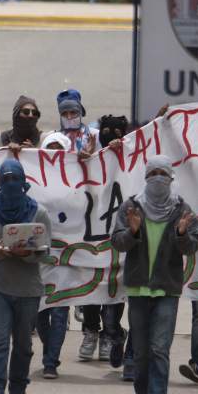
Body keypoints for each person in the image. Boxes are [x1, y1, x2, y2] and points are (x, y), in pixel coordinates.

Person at [111, 156, 198, 394]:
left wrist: (183, 234)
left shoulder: (181, 209)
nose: (158, 178)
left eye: (163, 173)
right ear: (146, 177)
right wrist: (133, 231)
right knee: (141, 353)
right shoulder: (131, 207)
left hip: (166, 291)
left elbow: (192, 247)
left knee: (160, 348)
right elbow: (117, 242)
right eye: (153, 173)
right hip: (137, 290)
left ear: (171, 178)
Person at [0, 159, 51, 394]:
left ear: (24, 182)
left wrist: (25, 254)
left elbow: (45, 252)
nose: (11, 184)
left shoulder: (38, 214)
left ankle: (18, 393)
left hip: (28, 291)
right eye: (6, 179)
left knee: (22, 346)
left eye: (15, 179)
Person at [80, 115, 130, 370]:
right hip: (92, 234)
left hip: (118, 234)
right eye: (108, 131)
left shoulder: (130, 157)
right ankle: (90, 331)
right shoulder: (93, 155)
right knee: (90, 286)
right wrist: (87, 155)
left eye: (118, 131)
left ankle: (111, 333)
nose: (112, 135)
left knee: (113, 288)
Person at [35, 134, 71, 379]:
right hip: (38, 254)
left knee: (59, 310)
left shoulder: (77, 179)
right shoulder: (34, 178)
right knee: (40, 311)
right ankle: (49, 349)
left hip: (67, 254)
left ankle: (51, 361)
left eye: (60, 149)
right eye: (50, 149)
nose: (55, 154)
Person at [44, 89, 96, 158]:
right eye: (64, 113)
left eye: (73, 112)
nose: (69, 117)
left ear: (80, 112)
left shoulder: (94, 135)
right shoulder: (53, 139)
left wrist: (91, 156)